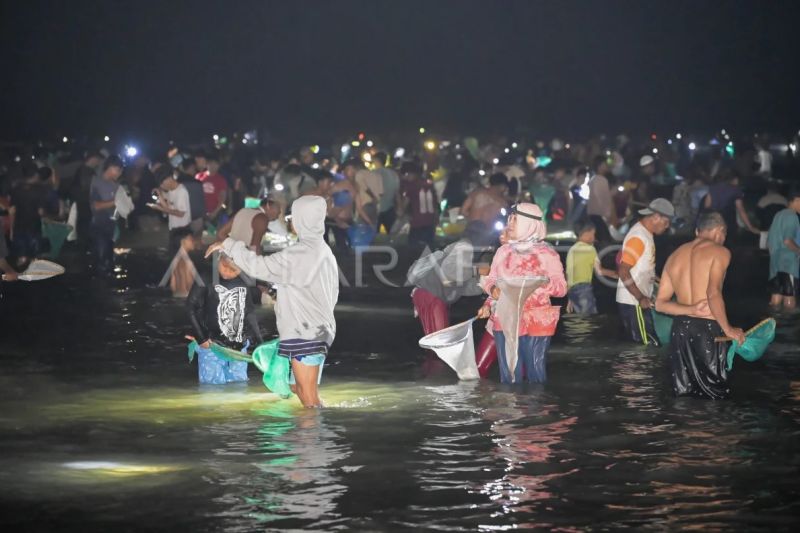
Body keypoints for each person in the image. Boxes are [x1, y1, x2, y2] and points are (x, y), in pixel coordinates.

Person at [205, 195, 338, 408]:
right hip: (318, 330)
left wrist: (229, 244)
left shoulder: (299, 253)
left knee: (308, 397)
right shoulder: (324, 251)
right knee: (300, 390)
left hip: (305, 332)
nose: (290, 221)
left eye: (294, 217)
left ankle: (313, 439)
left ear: (302, 220)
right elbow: (330, 292)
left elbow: (260, 267)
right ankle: (311, 436)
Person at [655, 211, 743, 399]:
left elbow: (660, 304)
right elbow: (713, 293)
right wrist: (728, 329)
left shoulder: (674, 256)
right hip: (708, 330)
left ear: (697, 231)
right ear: (720, 231)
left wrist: (690, 309)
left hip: (680, 331)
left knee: (684, 393)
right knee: (715, 394)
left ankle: (686, 427)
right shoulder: (720, 252)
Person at [477, 203, 567, 384]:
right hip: (505, 320)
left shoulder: (547, 254)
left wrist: (539, 283)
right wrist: (491, 291)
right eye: (509, 219)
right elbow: (491, 279)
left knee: (536, 374)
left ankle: (535, 410)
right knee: (509, 375)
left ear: (529, 223)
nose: (509, 224)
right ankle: (512, 411)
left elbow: (561, 288)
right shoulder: (503, 251)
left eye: (515, 219)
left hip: (538, 320)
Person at [187, 253, 263, 384]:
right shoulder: (205, 277)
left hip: (239, 347)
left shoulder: (246, 280)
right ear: (218, 260)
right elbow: (190, 307)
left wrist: (260, 342)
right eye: (224, 266)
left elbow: (249, 312)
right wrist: (201, 338)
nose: (227, 272)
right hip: (211, 346)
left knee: (239, 386)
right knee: (212, 388)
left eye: (233, 269)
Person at [616, 198, 674, 346]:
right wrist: (640, 297)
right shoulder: (638, 237)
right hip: (634, 302)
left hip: (639, 302)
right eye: (666, 222)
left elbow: (643, 267)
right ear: (655, 217)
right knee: (645, 348)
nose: (667, 227)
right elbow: (623, 271)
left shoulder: (646, 234)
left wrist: (658, 281)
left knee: (646, 346)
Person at [566, 220, 618, 315]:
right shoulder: (590, 249)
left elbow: (569, 274)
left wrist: (570, 298)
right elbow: (600, 271)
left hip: (573, 290)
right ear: (587, 233)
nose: (594, 237)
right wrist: (617, 275)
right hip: (584, 290)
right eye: (593, 234)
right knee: (589, 320)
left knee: (582, 322)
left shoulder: (572, 250)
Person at [89, 155, 123, 276]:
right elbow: (95, 206)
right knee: (100, 261)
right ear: (110, 167)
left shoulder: (116, 185)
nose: (120, 173)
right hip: (98, 225)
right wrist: (117, 201)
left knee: (109, 261)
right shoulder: (96, 182)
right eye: (118, 170)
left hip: (111, 226)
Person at [766, 189, 800, 310]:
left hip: (775, 264)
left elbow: (768, 242)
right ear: (796, 200)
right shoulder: (792, 216)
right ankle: (790, 326)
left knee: (776, 297)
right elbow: (787, 241)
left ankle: (775, 325)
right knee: (789, 296)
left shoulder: (778, 215)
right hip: (788, 264)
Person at [9, 162, 48, 264]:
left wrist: (11, 229)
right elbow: (41, 212)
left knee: (21, 258)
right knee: (33, 258)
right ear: (35, 174)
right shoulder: (40, 190)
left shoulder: (16, 189)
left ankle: (20, 277)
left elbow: (12, 210)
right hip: (34, 227)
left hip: (19, 226)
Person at [149, 165, 191, 258]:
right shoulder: (171, 191)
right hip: (174, 230)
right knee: (174, 259)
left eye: (162, 183)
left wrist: (160, 209)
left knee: (179, 259)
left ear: (169, 178)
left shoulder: (181, 191)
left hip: (182, 231)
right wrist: (159, 195)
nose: (161, 186)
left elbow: (180, 213)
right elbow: (168, 207)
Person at [216, 196, 282, 254]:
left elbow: (221, 234)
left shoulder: (243, 211)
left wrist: (233, 248)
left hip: (229, 260)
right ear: (268, 205)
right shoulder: (262, 219)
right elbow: (254, 249)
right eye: (278, 210)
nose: (278, 214)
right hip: (243, 264)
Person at [704, 172, 759, 239]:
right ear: (735, 179)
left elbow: (707, 206)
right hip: (728, 221)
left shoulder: (713, 188)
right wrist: (750, 227)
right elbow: (741, 210)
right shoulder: (736, 190)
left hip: (712, 221)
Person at [400, 161, 438, 249]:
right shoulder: (429, 184)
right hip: (430, 222)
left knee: (413, 252)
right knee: (428, 251)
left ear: (410, 174)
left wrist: (399, 198)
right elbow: (435, 203)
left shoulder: (411, 186)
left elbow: (403, 207)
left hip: (417, 223)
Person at [586, 156, 617, 244]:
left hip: (593, 215)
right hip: (599, 216)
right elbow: (602, 198)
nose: (607, 166)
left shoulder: (593, 179)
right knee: (605, 241)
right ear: (599, 166)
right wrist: (607, 215)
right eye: (604, 164)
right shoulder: (601, 179)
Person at [175, 157, 206, 235]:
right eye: (194, 168)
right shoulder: (197, 184)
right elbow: (201, 201)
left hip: (180, 218)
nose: (195, 170)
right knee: (196, 240)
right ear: (191, 168)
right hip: (196, 216)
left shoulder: (176, 183)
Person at [197, 152, 228, 224]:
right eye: (211, 163)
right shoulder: (198, 176)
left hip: (214, 213)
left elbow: (222, 198)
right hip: (200, 213)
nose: (213, 166)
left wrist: (215, 212)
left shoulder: (221, 180)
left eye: (216, 164)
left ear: (219, 165)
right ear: (207, 164)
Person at [373, 152, 400, 233]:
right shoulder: (393, 174)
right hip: (390, 208)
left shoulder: (373, 174)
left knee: (373, 235)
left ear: (376, 160)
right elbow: (397, 192)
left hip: (376, 209)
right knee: (392, 234)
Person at [169, 226, 197, 298]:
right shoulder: (189, 263)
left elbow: (172, 286)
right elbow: (189, 285)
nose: (194, 241)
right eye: (191, 239)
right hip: (187, 297)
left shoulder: (175, 261)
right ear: (182, 242)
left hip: (176, 295)